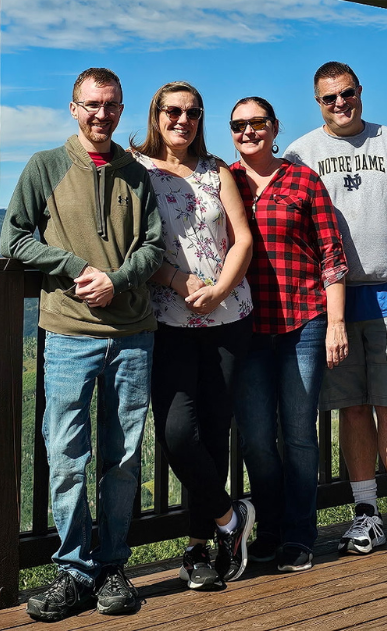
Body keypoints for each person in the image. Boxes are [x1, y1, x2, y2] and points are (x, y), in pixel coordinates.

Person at [1, 67, 163, 621]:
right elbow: (15, 236)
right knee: (67, 456)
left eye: (111, 106)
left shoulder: (135, 173)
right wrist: (75, 268)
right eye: (92, 104)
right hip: (69, 332)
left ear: (121, 110)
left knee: (122, 457)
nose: (102, 114)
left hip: (133, 333)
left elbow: (154, 246)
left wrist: (116, 279)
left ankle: (113, 565)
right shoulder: (45, 166)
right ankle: (74, 569)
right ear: (73, 107)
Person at [283, 61, 387, 567]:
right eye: (329, 98)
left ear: (360, 92)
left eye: (347, 93)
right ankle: (365, 512)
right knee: (351, 407)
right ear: (317, 102)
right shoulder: (302, 153)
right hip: (331, 302)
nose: (340, 104)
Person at [130, 81, 257, 590]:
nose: (183, 119)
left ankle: (197, 548)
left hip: (229, 317)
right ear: (156, 114)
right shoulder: (134, 169)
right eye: (173, 111)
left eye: (193, 112)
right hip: (168, 319)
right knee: (179, 434)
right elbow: (133, 244)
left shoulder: (215, 171)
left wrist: (221, 287)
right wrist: (178, 281)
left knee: (212, 430)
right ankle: (232, 519)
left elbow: (242, 236)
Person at [228, 96, 350, 573]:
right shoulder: (225, 182)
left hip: (303, 322)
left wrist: (335, 322)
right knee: (257, 438)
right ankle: (270, 531)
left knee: (299, 434)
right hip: (245, 327)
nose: (248, 131)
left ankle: (299, 536)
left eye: (258, 123)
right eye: (239, 124)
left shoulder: (303, 180)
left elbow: (331, 254)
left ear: (274, 127)